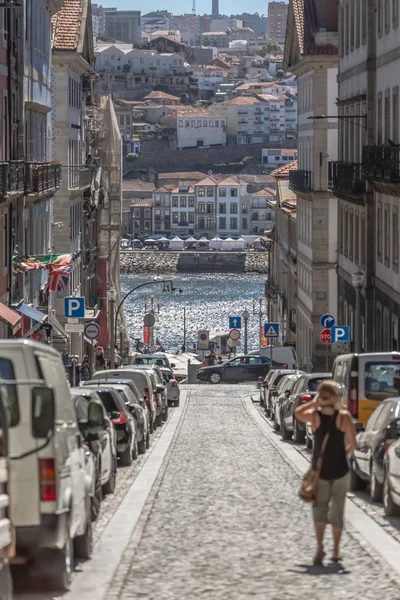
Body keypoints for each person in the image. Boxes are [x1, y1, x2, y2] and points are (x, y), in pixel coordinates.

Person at [295, 380, 356, 565]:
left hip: (320, 472)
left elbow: (298, 414)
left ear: (321, 396)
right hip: (340, 471)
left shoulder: (314, 416)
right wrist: (343, 453)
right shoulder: (343, 417)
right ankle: (336, 551)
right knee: (338, 512)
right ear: (335, 396)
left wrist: (315, 402)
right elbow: (353, 444)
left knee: (319, 510)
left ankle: (320, 547)